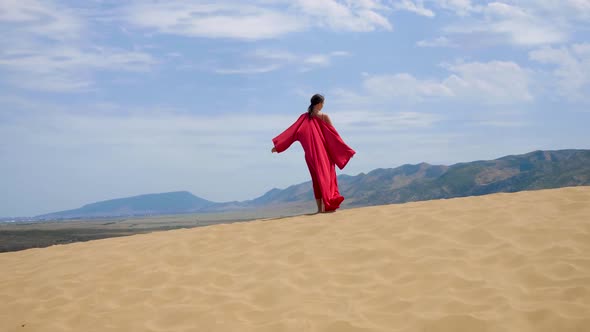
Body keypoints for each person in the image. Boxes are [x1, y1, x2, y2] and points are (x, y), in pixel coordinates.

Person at [271, 94, 356, 213]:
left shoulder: (304, 117)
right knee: (327, 178)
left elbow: (291, 133)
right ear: (319, 103)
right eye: (323, 103)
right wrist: (345, 150)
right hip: (324, 155)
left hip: (310, 155)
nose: (323, 105)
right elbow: (334, 136)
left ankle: (319, 209)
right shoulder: (324, 117)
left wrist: (278, 146)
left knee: (316, 180)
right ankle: (329, 204)